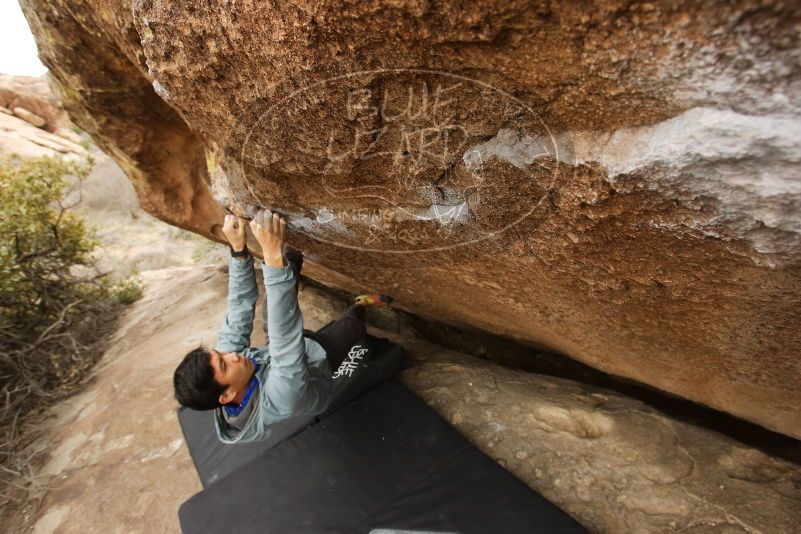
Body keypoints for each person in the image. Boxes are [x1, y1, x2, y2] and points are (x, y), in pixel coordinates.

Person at [172, 208, 392, 444]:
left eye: (221, 354)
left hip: (273, 355)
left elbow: (239, 309)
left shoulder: (228, 366)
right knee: (350, 326)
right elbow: (285, 339)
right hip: (317, 363)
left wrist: (237, 251)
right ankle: (361, 305)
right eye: (225, 365)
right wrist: (271, 255)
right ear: (227, 395)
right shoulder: (283, 398)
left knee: (273, 301)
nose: (232, 356)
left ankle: (295, 247)